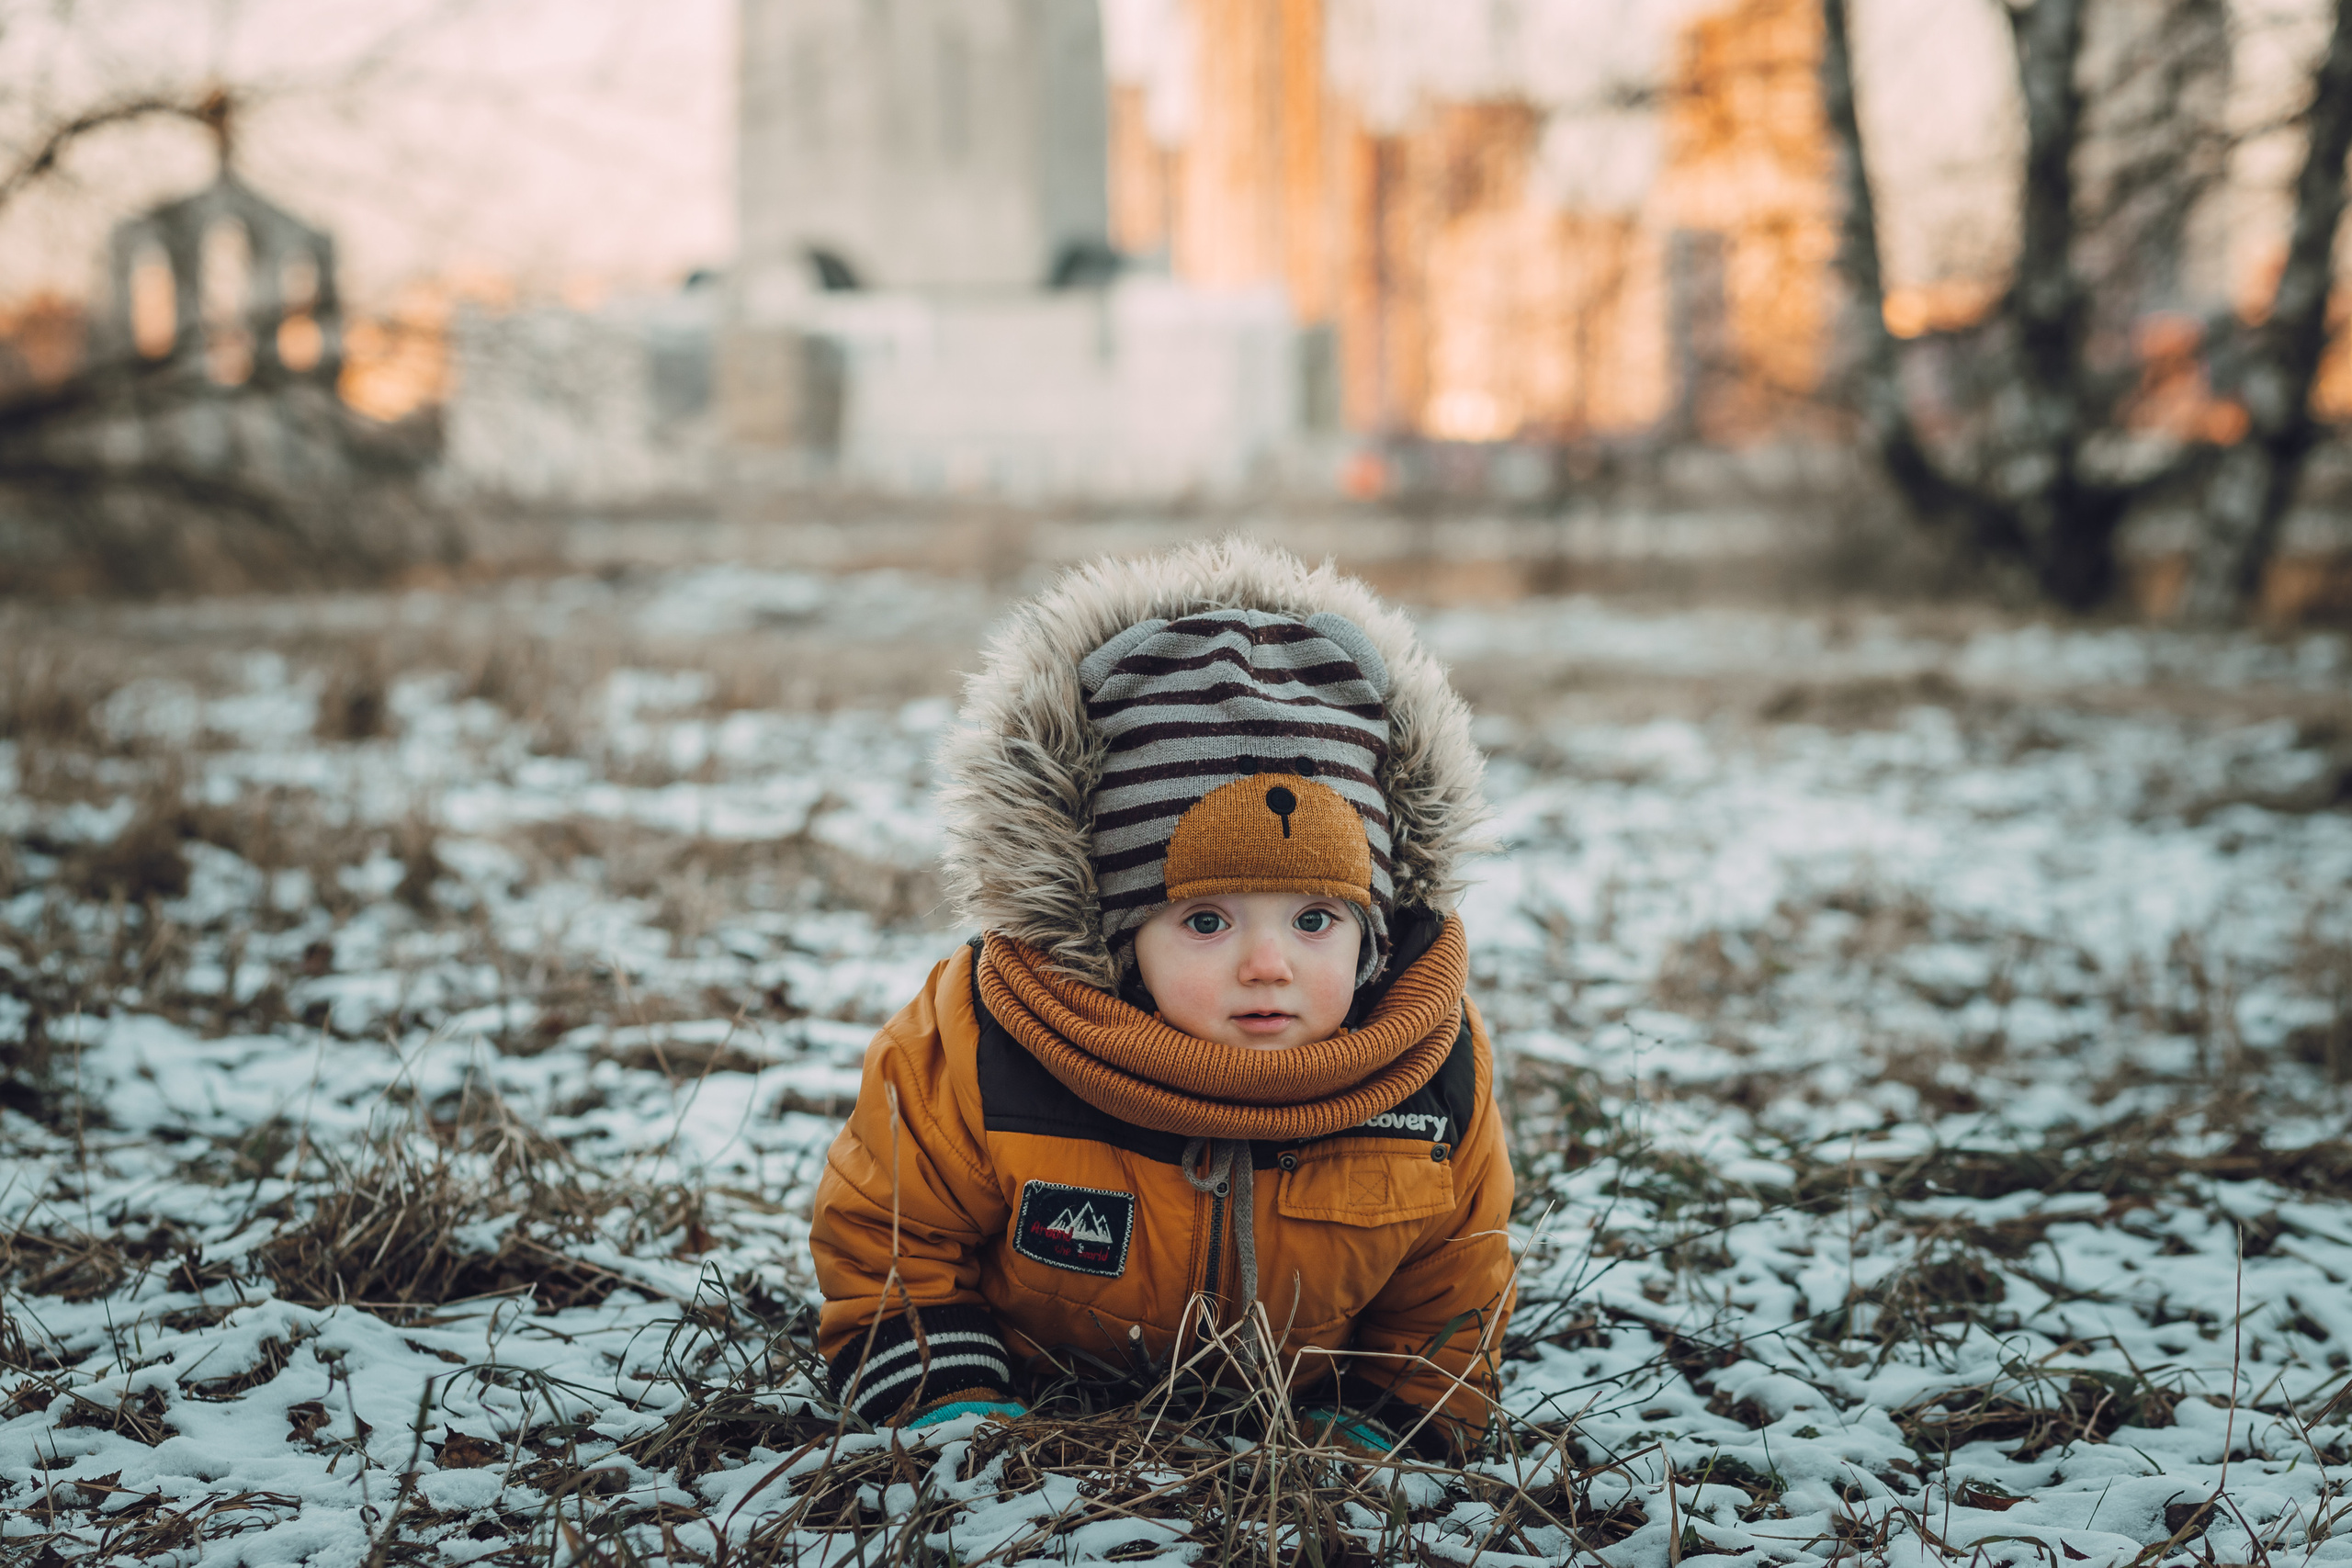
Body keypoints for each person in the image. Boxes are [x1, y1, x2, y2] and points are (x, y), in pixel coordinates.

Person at [807, 538, 1513, 1457]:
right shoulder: (993, 1043)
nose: (1268, 965)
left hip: (1306, 1430)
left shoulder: (1427, 1076)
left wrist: (1384, 1427)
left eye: (1314, 921)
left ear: (1374, 934)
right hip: (1033, 1408)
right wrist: (950, 1404)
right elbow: (894, 1234)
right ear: (1117, 935)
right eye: (1206, 923)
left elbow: (1449, 1286)